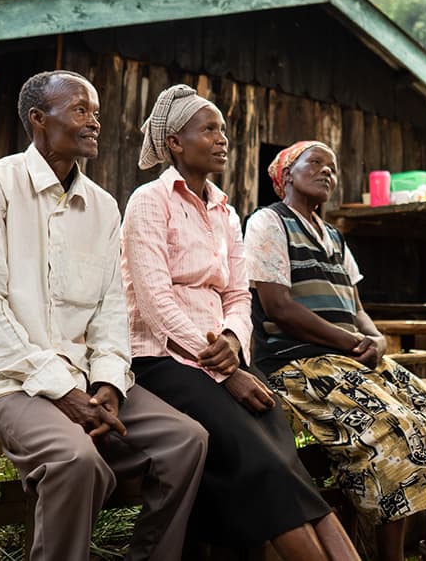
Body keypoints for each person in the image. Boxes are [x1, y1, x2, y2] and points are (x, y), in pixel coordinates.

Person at [0, 70, 208, 561]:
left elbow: (111, 307)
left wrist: (110, 382)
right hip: (6, 381)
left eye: (96, 112)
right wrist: (63, 390)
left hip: (87, 380)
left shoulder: (103, 206)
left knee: (186, 441)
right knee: (75, 460)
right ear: (38, 120)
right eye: (80, 111)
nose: (94, 122)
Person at [121, 85, 360, 561]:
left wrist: (233, 340)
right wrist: (225, 370)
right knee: (261, 461)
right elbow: (154, 303)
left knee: (284, 459)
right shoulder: (150, 201)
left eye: (223, 130)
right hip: (161, 361)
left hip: (224, 357)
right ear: (175, 142)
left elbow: (236, 293)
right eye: (209, 129)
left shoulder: (225, 213)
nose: (222, 138)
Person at [243, 141, 426, 561]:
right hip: (298, 362)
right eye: (316, 163)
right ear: (287, 175)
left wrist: (377, 338)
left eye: (333, 167)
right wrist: (351, 341)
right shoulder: (268, 223)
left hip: (349, 359)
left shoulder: (333, 237)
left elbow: (357, 309)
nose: (328, 172)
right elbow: (279, 307)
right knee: (393, 427)